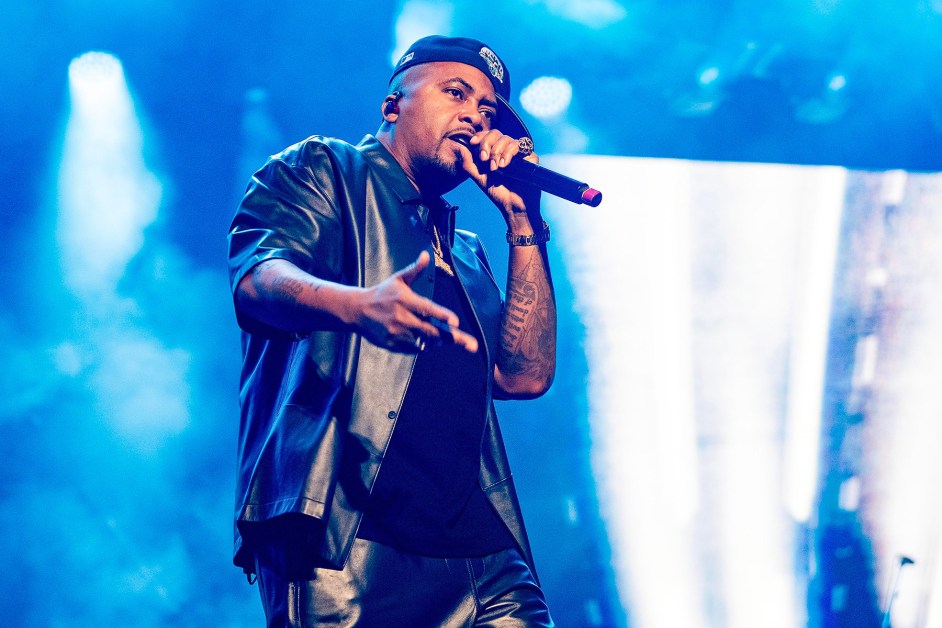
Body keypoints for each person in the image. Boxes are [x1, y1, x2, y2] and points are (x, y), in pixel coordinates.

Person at [227, 35, 557, 626]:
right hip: (345, 540)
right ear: (392, 105)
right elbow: (258, 279)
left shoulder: (464, 250)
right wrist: (358, 306)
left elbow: (524, 377)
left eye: (487, 110)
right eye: (456, 93)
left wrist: (522, 220)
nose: (475, 116)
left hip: (482, 556)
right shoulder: (324, 168)